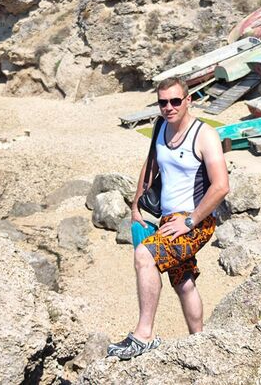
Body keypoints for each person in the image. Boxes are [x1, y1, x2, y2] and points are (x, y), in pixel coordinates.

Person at [107, 76, 230, 360]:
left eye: (175, 101)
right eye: (163, 102)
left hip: (195, 221)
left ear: (189, 100)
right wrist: (136, 205)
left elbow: (221, 186)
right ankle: (200, 343)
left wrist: (190, 221)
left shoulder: (204, 135)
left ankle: (144, 336)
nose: (169, 107)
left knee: (144, 256)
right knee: (183, 281)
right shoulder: (160, 126)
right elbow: (150, 165)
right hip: (167, 219)